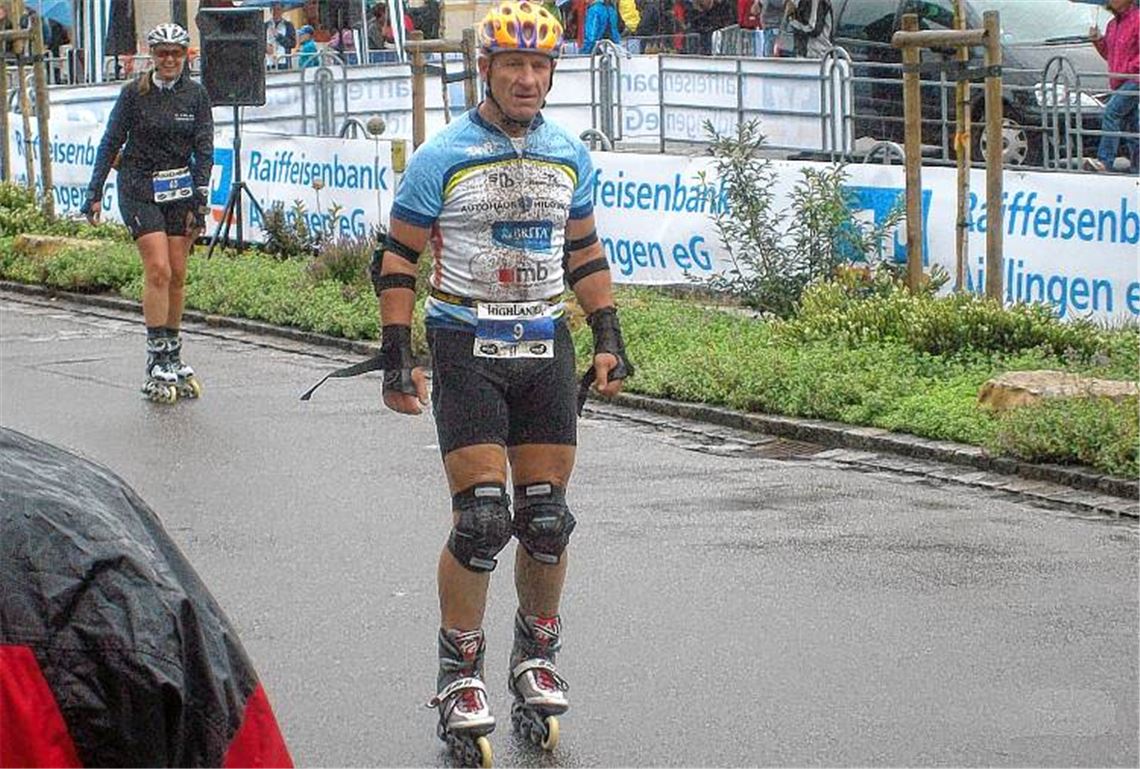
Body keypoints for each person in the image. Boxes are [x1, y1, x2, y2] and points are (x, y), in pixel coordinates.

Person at [369, 0, 631, 763]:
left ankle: (536, 656)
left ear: (552, 73)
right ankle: (459, 672)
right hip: (465, 343)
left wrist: (608, 334)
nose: (526, 78)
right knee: (483, 519)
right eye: (512, 64)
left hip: (542, 342)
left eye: (538, 66)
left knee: (547, 520)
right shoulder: (442, 154)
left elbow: (583, 251)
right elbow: (399, 259)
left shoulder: (566, 154)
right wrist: (396, 355)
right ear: (484, 69)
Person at [80, 23, 213, 404]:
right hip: (138, 187)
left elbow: (204, 148)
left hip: (179, 190)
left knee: (178, 272)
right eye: (161, 53)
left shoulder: (196, 95)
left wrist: (200, 199)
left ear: (185, 56)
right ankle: (155, 356)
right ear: (152, 57)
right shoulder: (133, 94)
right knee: (158, 269)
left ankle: (173, 350)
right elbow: (110, 142)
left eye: (175, 53)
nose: (168, 59)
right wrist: (94, 191)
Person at [1085, 0, 1138, 173]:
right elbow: (1110, 54)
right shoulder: (1112, 25)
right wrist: (1098, 40)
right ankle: (1137, 166)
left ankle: (1105, 160)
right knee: (1131, 124)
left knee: (1112, 112)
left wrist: (1131, 69)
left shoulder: (1137, 20)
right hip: (1121, 80)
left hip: (1134, 79)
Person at [264, 2, 296, 70]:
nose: (275, 12)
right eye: (273, 9)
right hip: (269, 63)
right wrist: (265, 46)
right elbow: (259, 42)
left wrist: (279, 36)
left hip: (283, 62)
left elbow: (292, 43)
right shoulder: (265, 25)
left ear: (282, 11)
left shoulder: (288, 25)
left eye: (278, 9)